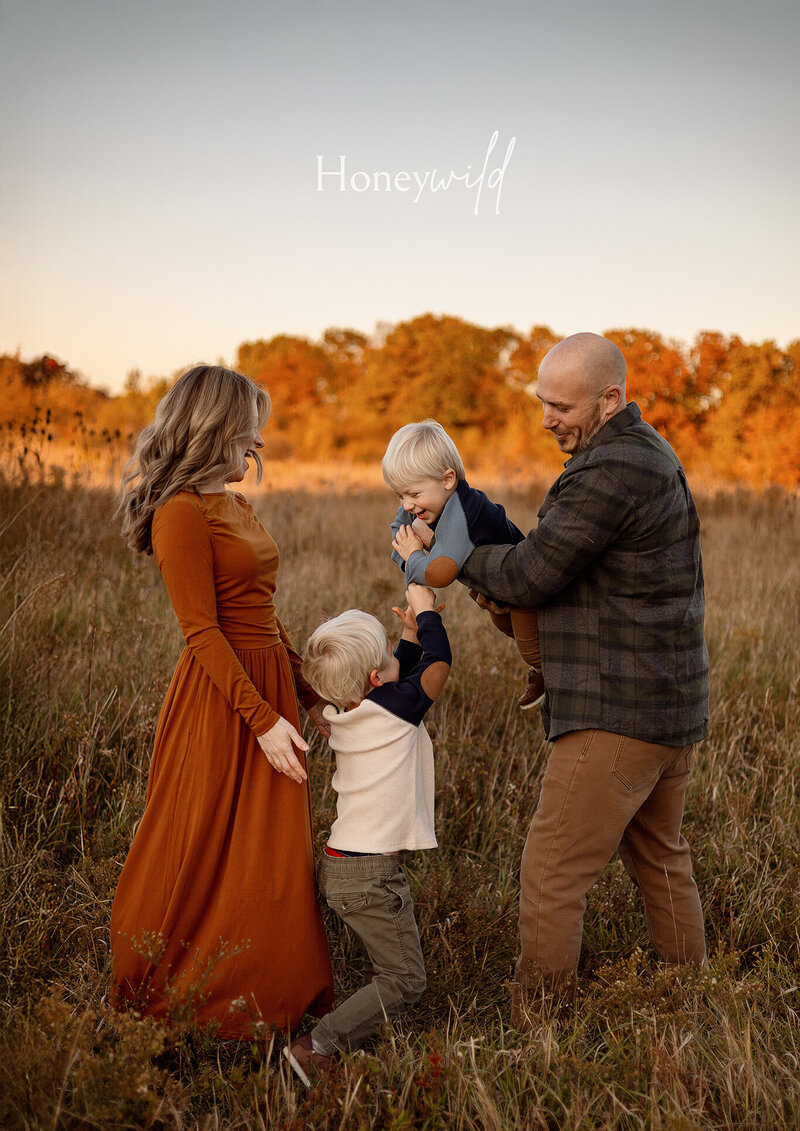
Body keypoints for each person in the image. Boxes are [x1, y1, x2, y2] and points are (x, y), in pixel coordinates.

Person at [459, 332, 709, 1004]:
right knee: (661, 858)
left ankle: (540, 1023)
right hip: (668, 709)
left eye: (561, 406)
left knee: (552, 870)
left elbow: (534, 572)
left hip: (618, 711)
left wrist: (454, 558)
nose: (547, 418)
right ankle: (692, 1002)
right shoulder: (645, 450)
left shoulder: (610, 469)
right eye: (542, 402)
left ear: (610, 398)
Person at [110, 364, 334, 1038]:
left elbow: (263, 610)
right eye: (250, 427)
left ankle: (269, 987)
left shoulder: (236, 505)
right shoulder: (181, 512)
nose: (259, 442)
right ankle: (174, 988)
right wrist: (263, 722)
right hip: (220, 696)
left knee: (269, 850)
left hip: (267, 688)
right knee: (204, 838)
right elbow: (201, 631)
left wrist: (306, 693)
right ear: (215, 428)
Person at [283, 583, 451, 1084]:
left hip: (344, 863)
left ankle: (335, 1032)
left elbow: (396, 675)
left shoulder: (344, 712)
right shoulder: (395, 712)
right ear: (377, 677)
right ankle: (317, 1046)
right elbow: (437, 668)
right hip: (369, 874)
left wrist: (405, 636)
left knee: (389, 964)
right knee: (404, 980)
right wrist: (427, 619)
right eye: (387, 657)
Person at [383, 420, 545, 709]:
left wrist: (413, 555)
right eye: (400, 495)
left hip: (522, 585)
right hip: (491, 585)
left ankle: (549, 672)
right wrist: (411, 554)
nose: (406, 505)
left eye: (413, 495)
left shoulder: (461, 512)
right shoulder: (423, 503)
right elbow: (398, 532)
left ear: (447, 480)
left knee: (531, 645)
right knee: (504, 623)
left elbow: (439, 572)